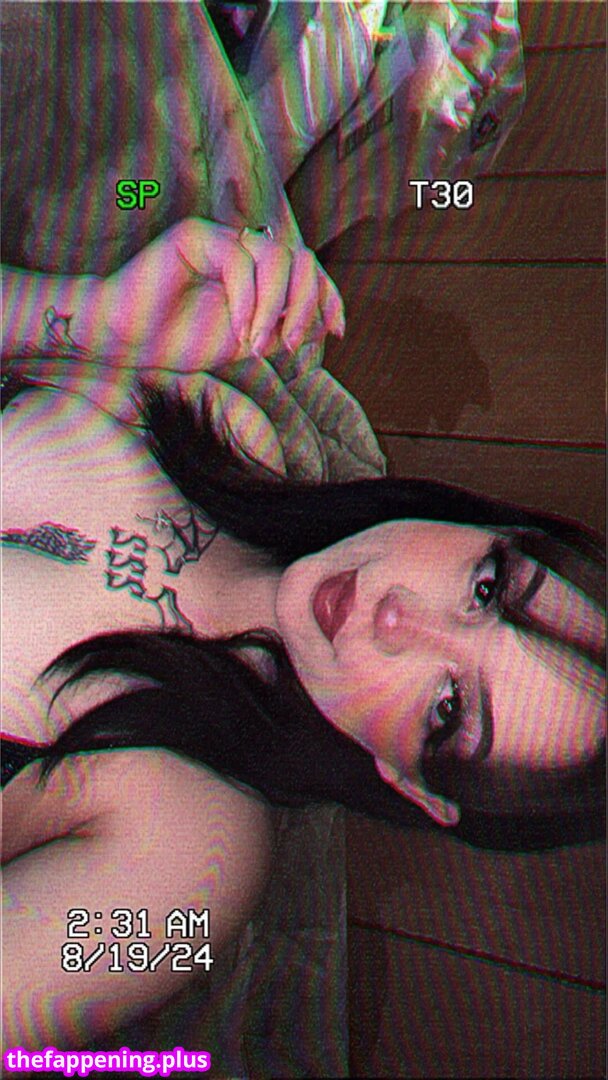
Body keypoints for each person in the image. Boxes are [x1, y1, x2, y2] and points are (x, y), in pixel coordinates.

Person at [2, 220, 605, 1053]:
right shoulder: (223, 428)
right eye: (486, 587)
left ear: (412, 785)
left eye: (447, 708)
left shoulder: (187, 869)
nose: (399, 620)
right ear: (484, 525)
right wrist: (92, 314)